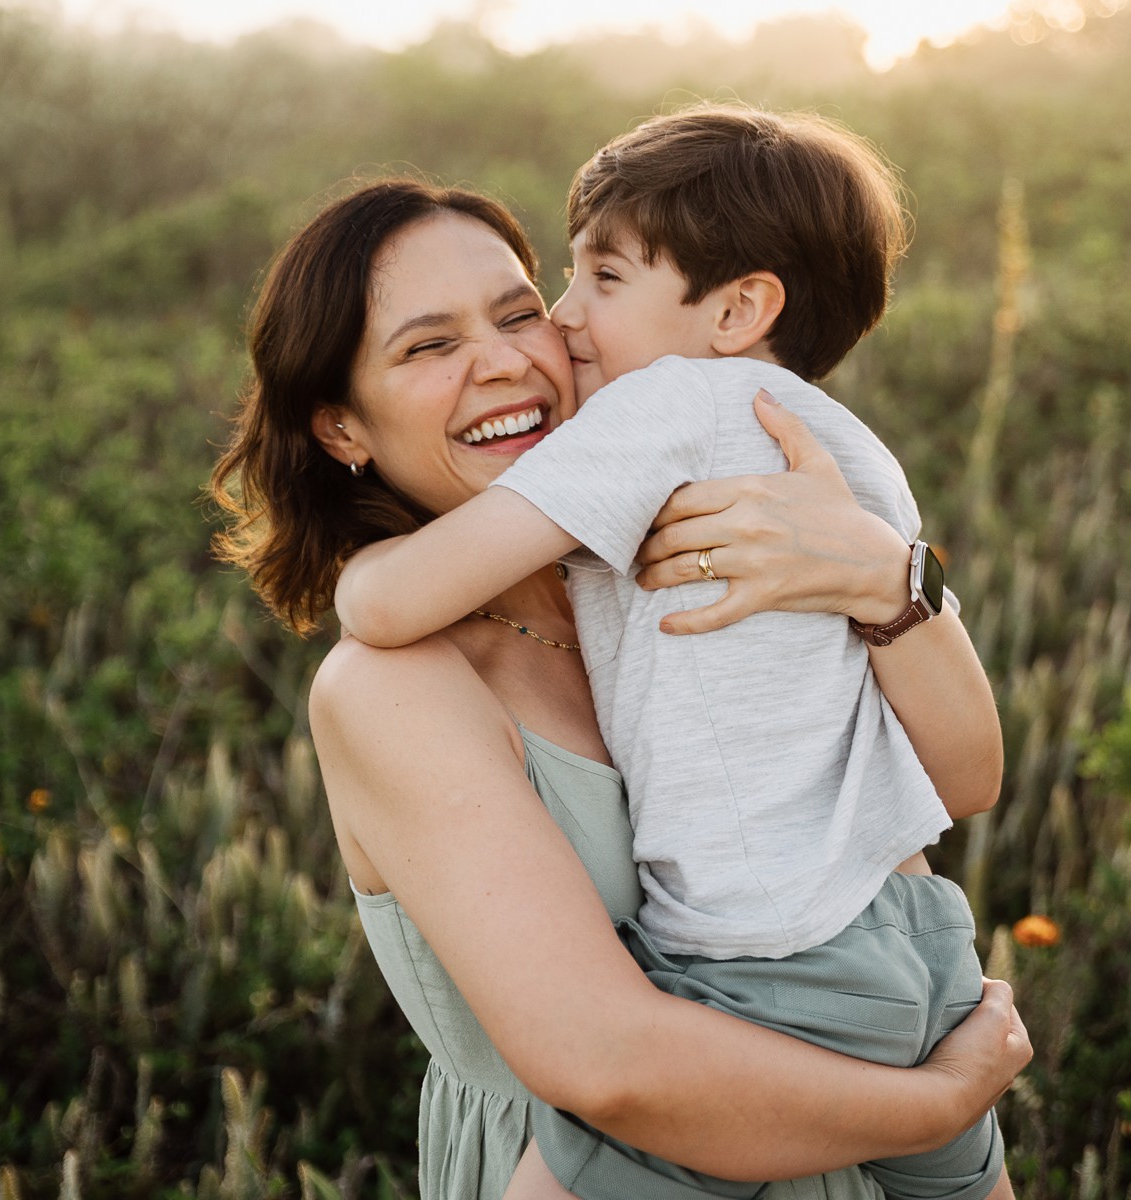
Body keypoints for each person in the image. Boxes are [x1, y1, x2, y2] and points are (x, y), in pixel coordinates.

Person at [209, 175, 1029, 1200]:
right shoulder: (396, 687)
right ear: (343, 431)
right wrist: (941, 1108)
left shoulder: (697, 540)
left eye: (519, 313)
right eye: (428, 347)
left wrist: (889, 579)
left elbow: (963, 784)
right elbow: (605, 1062)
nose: (508, 359)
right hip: (605, 1162)